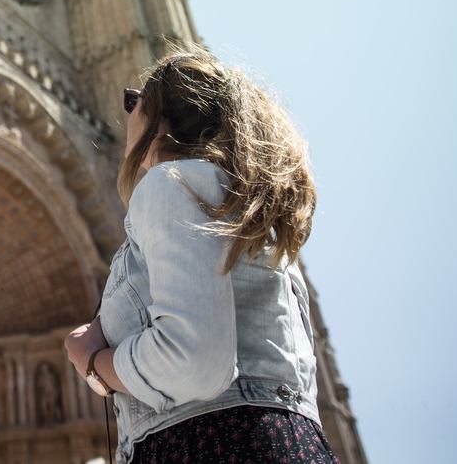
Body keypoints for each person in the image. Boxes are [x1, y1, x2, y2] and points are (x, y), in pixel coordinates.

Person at [63, 45, 341, 464]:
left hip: (210, 442)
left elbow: (192, 360)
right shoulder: (247, 214)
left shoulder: (172, 183)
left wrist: (94, 365)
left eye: (133, 100)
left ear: (162, 118)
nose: (125, 114)